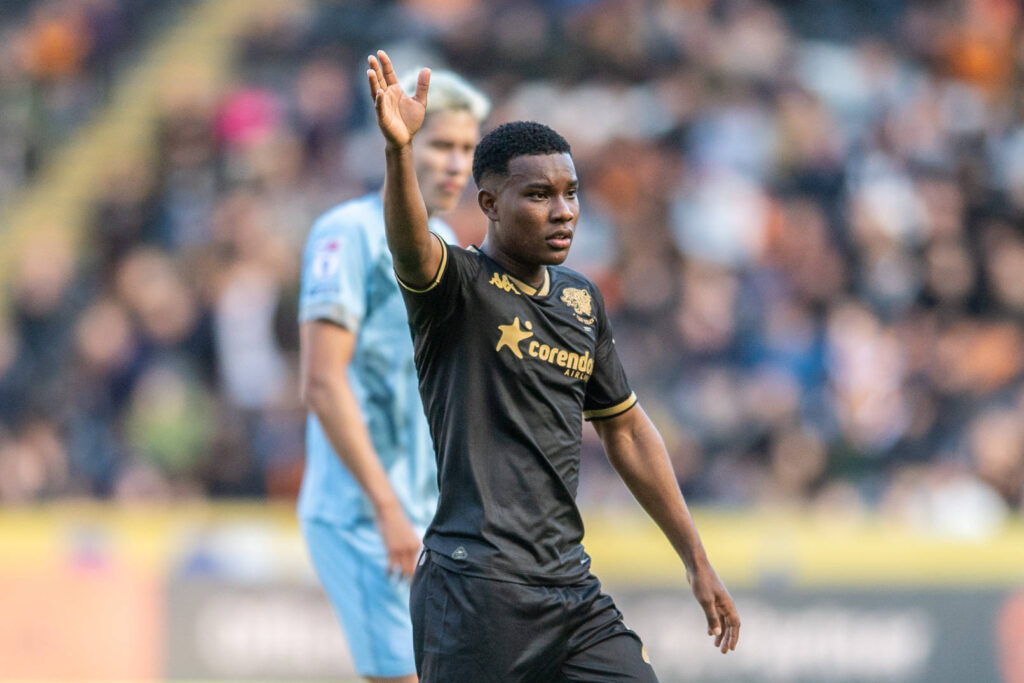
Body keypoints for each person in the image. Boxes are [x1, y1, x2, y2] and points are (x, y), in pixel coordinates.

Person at [366, 50, 740, 681]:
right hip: (477, 587)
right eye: (538, 195)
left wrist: (695, 557)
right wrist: (400, 153)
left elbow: (625, 430)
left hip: (569, 588)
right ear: (488, 202)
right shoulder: (458, 286)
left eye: (570, 193)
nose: (563, 210)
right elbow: (409, 244)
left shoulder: (579, 299)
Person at [297, 66, 490, 683]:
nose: (457, 164)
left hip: (425, 517)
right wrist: (386, 509)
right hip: (366, 516)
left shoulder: (440, 240)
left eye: (467, 149)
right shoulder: (348, 233)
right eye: (442, 145)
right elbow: (323, 382)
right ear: (400, 139)